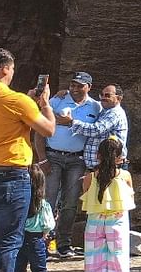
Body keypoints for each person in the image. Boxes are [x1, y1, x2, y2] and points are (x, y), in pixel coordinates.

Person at [0, 47, 56, 272]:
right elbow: (48, 129)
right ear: (5, 69)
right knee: (8, 241)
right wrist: (45, 103)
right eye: (12, 70)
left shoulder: (15, 101)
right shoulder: (16, 100)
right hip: (11, 174)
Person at [58, 84, 128, 258]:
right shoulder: (103, 109)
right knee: (97, 209)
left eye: (108, 95)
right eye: (102, 94)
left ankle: (110, 249)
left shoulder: (115, 113)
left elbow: (96, 129)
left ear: (118, 98)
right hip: (96, 169)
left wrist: (71, 122)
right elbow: (85, 100)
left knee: (110, 210)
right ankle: (98, 247)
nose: (103, 97)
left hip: (111, 169)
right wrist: (67, 94)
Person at [41, 71, 99, 258]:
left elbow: (98, 131)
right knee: (48, 201)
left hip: (77, 159)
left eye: (79, 85)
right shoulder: (58, 100)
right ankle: (44, 243)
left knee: (71, 203)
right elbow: (40, 127)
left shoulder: (95, 107)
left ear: (88, 87)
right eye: (72, 85)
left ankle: (63, 244)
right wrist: (42, 158)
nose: (74, 88)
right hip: (53, 156)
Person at [81, 137, 135, 272]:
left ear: (98, 156)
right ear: (119, 157)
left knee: (94, 262)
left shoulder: (89, 178)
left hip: (94, 223)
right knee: (118, 262)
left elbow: (85, 196)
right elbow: (130, 198)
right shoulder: (125, 176)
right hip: (117, 221)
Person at [13, 164, 54, 272]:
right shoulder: (42, 204)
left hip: (20, 239)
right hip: (36, 239)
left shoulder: (19, 203)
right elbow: (48, 225)